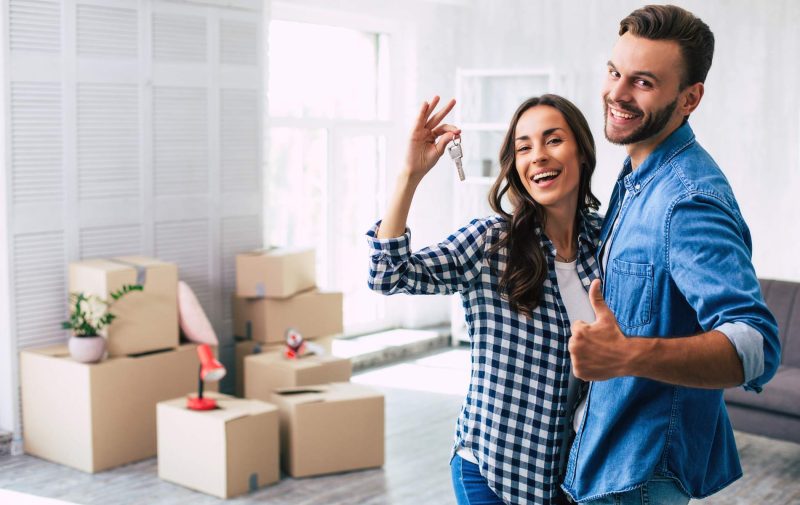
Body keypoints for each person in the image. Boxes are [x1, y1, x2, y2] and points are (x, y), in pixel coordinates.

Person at [561, 5, 781, 505]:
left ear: (690, 98)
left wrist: (625, 355)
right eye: (615, 72)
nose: (616, 94)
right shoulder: (638, 174)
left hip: (638, 479)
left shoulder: (687, 199)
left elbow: (756, 345)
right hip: (607, 458)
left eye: (642, 82)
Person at [367, 93, 601, 505]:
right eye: (523, 147)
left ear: (582, 151)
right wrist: (409, 174)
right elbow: (390, 275)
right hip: (492, 473)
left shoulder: (605, 242)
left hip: (572, 477)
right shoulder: (492, 241)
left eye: (553, 140)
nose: (538, 156)